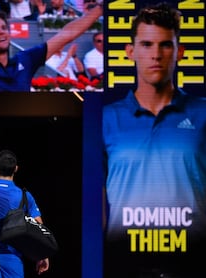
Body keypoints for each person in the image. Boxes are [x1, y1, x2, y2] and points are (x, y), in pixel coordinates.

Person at [103, 2, 206, 277]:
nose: (156, 55)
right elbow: (96, 202)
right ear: (130, 52)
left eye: (165, 45)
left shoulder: (204, 113)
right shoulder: (105, 119)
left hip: (192, 263)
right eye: (146, 44)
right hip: (123, 263)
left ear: (180, 52)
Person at [0, 149, 49, 278]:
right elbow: (39, 228)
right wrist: (42, 255)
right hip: (13, 260)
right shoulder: (25, 196)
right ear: (16, 169)